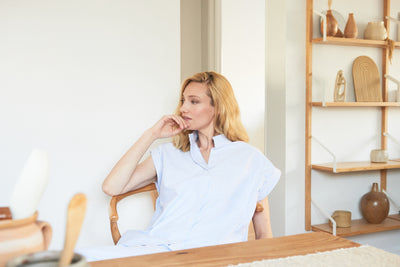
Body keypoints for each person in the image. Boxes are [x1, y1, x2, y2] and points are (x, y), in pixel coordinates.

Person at [80, 71, 280, 261]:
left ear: (218, 107)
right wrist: (152, 134)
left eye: (194, 101)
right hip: (157, 251)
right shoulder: (169, 154)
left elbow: (263, 234)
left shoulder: (251, 159)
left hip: (216, 257)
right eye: (183, 100)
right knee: (74, 259)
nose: (183, 108)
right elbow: (111, 187)